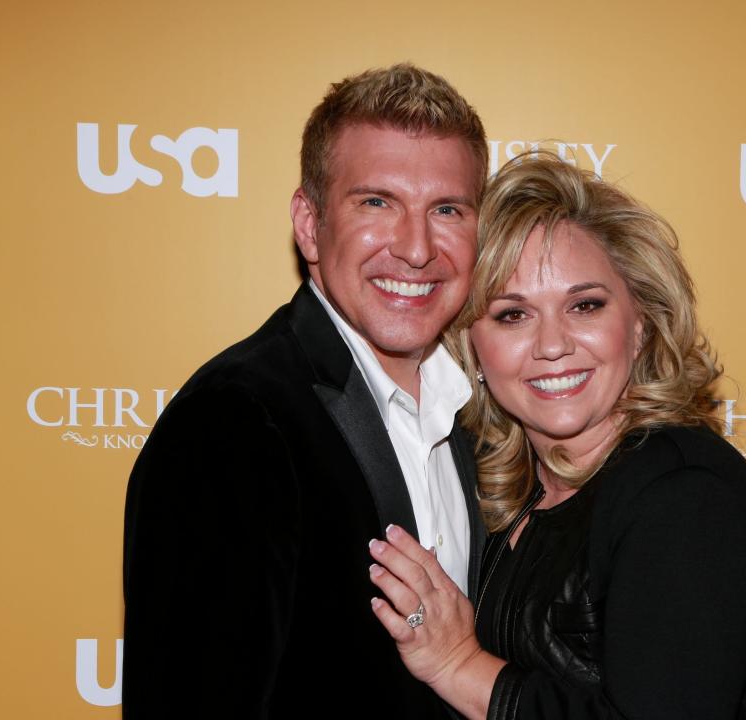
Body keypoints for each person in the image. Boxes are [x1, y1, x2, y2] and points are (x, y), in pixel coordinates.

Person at [367, 152, 746, 719]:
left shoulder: (688, 497)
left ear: (640, 323)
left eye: (585, 305)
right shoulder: (505, 493)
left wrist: (457, 664)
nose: (553, 345)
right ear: (471, 346)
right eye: (512, 315)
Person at [122, 64, 490, 718]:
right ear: (308, 222)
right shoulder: (236, 422)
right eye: (376, 203)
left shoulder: (476, 414)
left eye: (447, 210)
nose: (415, 248)